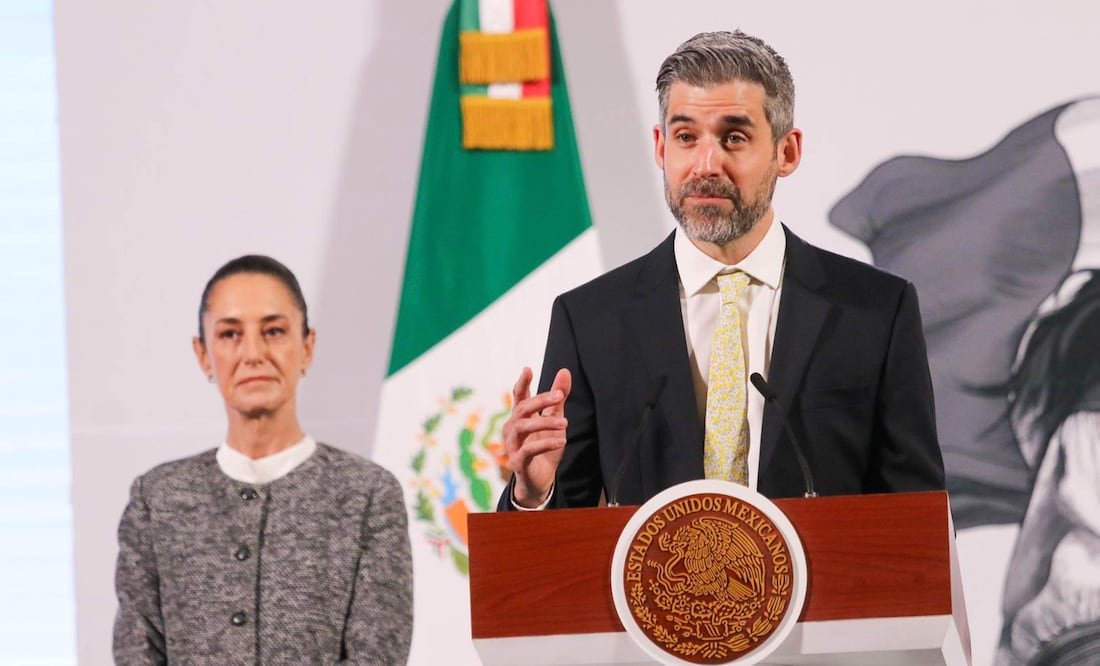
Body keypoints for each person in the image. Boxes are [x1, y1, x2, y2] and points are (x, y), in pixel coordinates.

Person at [498, 30, 945, 511]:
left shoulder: (875, 311)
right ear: (660, 147)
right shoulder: (590, 321)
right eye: (686, 137)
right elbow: (556, 549)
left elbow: (918, 524)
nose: (706, 164)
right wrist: (534, 492)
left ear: (786, 152)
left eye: (734, 137)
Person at [113, 255, 413, 664]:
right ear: (203, 355)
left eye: (273, 331)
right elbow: (137, 652)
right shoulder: (157, 500)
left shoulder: (367, 496)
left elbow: (378, 656)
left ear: (306, 347)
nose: (253, 353)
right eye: (230, 334)